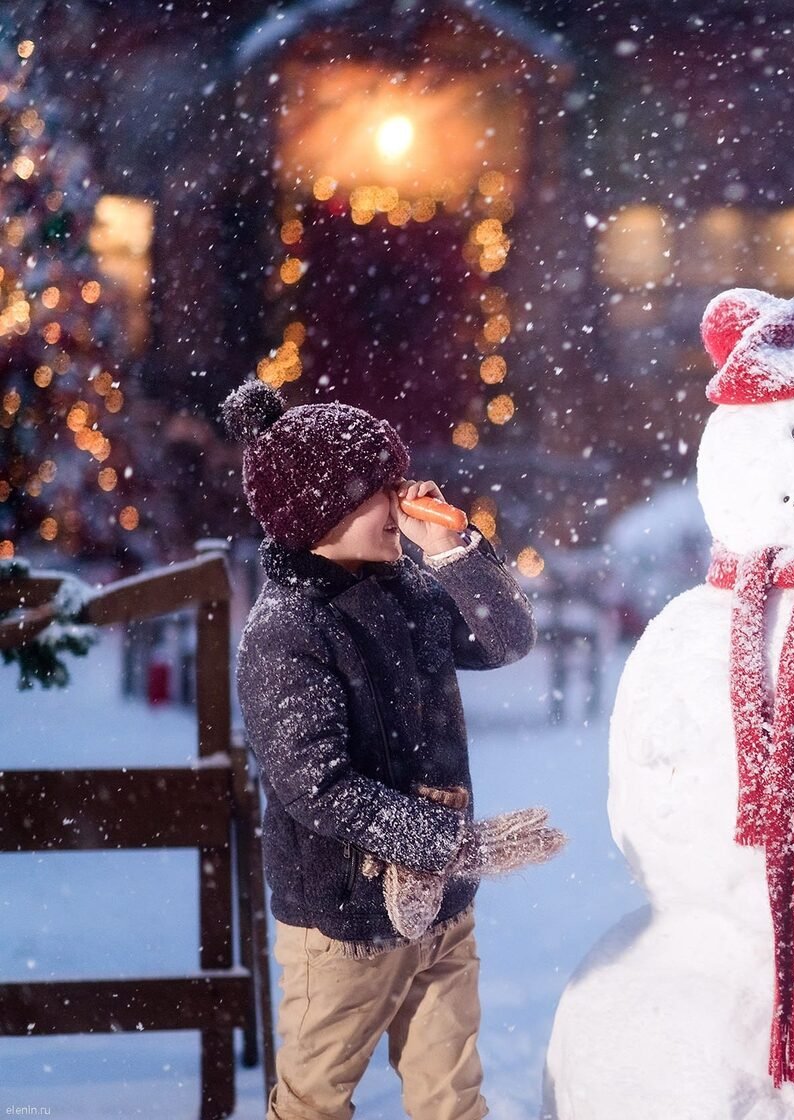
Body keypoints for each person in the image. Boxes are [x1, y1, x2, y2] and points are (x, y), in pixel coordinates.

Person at [221, 381, 566, 1120]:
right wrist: (445, 841)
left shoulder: (410, 589)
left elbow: (508, 639)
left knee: (452, 1098)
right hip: (343, 928)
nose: (403, 499)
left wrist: (454, 554)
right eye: (379, 489)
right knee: (315, 1100)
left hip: (442, 909)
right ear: (323, 509)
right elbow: (320, 787)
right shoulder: (287, 634)